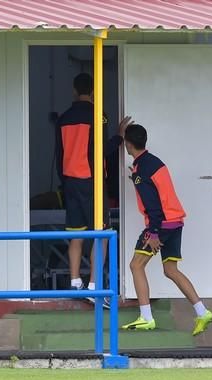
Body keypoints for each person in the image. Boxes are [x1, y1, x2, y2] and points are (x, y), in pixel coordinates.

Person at [121, 124, 212, 335]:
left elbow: (153, 204)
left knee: (136, 265)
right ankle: (202, 311)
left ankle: (146, 318)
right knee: (171, 270)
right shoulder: (152, 162)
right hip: (175, 221)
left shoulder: (141, 171)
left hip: (160, 224)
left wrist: (153, 232)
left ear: (127, 144)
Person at [55, 72, 132, 301]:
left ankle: (74, 283)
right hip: (92, 182)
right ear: (93, 91)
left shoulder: (63, 118)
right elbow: (102, 150)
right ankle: (94, 287)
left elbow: (58, 154)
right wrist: (119, 137)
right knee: (101, 234)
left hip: (70, 182)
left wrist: (64, 180)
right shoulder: (99, 115)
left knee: (75, 235)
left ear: (74, 91)